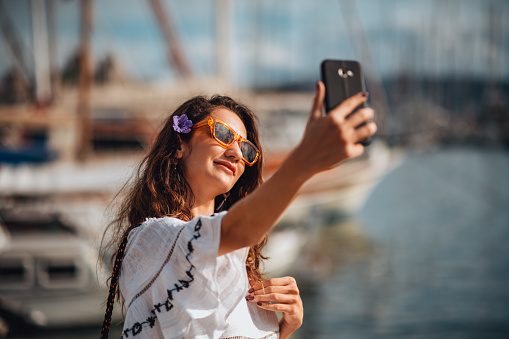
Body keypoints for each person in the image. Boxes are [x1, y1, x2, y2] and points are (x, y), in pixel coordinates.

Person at [100, 82, 376, 339]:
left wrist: (284, 329)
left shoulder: (236, 264)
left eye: (245, 148)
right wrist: (305, 160)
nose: (236, 153)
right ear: (179, 145)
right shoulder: (151, 240)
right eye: (222, 134)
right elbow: (233, 230)